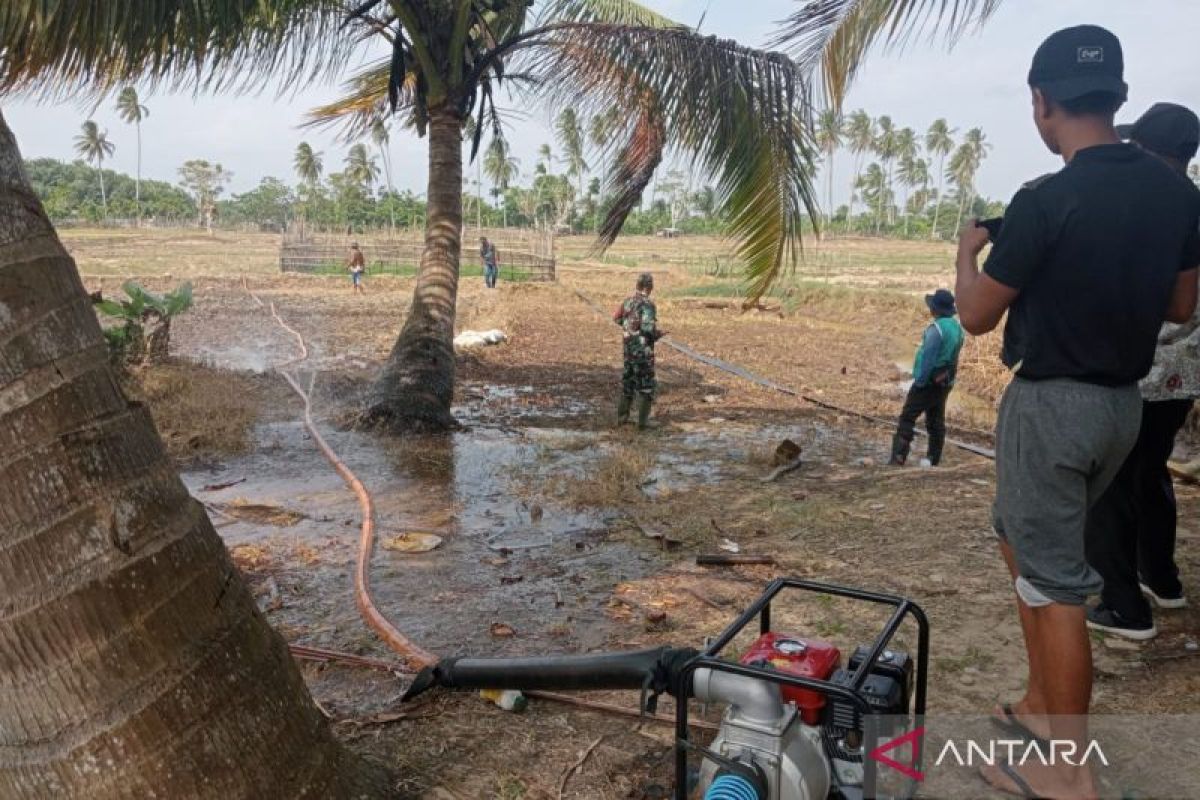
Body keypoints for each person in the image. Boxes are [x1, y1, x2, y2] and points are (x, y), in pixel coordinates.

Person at [952, 26, 1200, 799]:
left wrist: (967, 251)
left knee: (1056, 585)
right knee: (1020, 539)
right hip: (1122, 410)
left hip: (1051, 408)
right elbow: (1183, 306)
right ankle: (1038, 703)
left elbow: (974, 317)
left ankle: (1066, 776)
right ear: (1118, 98)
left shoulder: (1045, 199)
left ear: (1041, 102)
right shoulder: (1177, 194)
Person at [1083, 102, 1200, 641]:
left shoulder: (1153, 208)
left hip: (1137, 372)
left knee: (1108, 481)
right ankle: (1162, 579)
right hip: (1186, 376)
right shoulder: (1193, 205)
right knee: (1150, 473)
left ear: (1153, 152)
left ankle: (1123, 604)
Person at [889, 288, 964, 467]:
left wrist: (920, 382)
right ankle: (933, 459)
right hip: (945, 381)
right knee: (936, 421)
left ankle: (898, 458)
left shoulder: (936, 329)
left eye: (931, 307)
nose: (930, 309)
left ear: (935, 310)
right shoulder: (957, 328)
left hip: (929, 381)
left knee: (907, 417)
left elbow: (929, 358)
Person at [614, 273, 665, 430]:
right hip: (642, 352)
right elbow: (648, 328)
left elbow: (616, 318)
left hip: (628, 350)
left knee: (628, 382)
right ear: (649, 287)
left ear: (637, 285)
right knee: (646, 385)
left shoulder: (628, 302)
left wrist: (629, 328)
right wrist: (658, 334)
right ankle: (643, 422)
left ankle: (622, 418)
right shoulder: (648, 304)